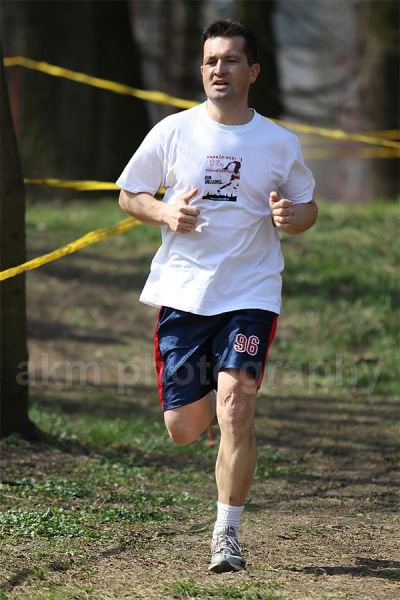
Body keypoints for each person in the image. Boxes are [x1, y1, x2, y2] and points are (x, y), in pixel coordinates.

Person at [117, 19, 317, 573]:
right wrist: (164, 211)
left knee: (236, 406)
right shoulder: (174, 131)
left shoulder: (278, 142)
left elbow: (307, 207)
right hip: (184, 291)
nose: (218, 70)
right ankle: (210, 407)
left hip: (250, 291)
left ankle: (226, 534)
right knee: (184, 429)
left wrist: (292, 216)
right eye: (210, 61)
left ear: (252, 71)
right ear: (201, 69)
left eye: (230, 60)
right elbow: (129, 194)